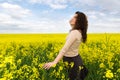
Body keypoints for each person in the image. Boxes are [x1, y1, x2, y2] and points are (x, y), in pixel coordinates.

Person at [43, 11, 88, 80]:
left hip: (72, 60)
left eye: (75, 17)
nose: (72, 18)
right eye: (73, 16)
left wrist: (54, 62)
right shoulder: (79, 31)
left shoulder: (74, 32)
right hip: (76, 59)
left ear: (79, 21)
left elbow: (64, 49)